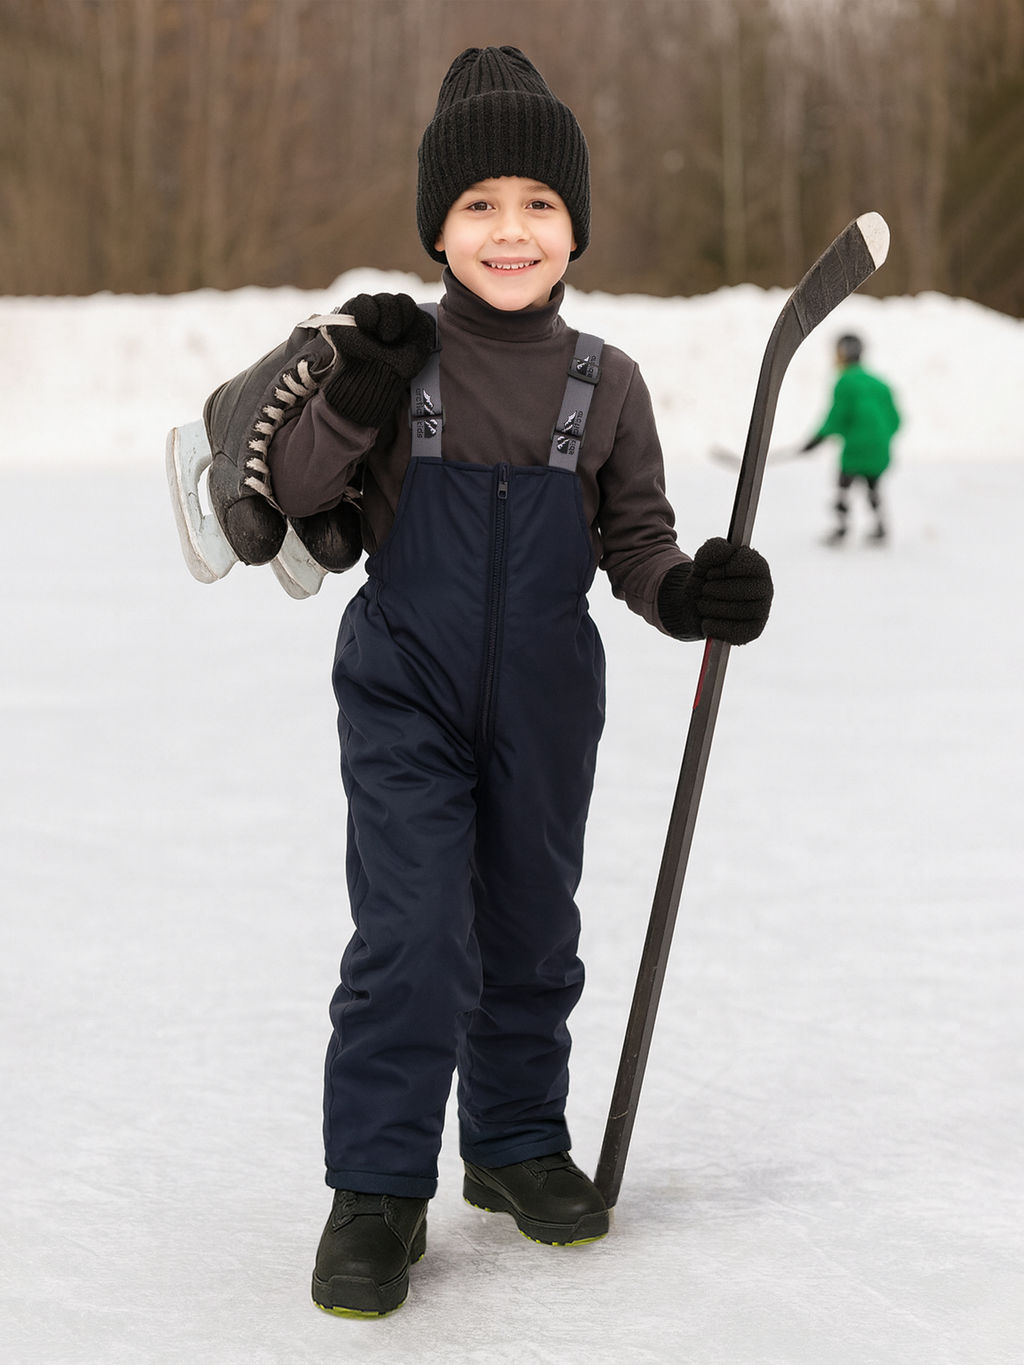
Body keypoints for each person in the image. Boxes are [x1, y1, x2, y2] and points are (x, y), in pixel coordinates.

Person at [211, 46, 773, 1318]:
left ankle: (515, 1143)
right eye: (478, 207)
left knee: (531, 927)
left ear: (575, 227)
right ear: (438, 229)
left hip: (546, 694)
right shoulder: (394, 358)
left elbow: (635, 542)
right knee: (410, 934)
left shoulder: (606, 383)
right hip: (403, 682)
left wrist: (693, 594)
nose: (509, 232)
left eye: (538, 205)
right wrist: (356, 383)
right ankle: (376, 1189)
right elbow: (290, 496)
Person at [802, 333, 901, 544]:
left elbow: (836, 417)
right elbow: (896, 419)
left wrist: (816, 439)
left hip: (855, 449)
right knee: (873, 486)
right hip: (880, 450)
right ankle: (880, 527)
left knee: (843, 487)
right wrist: (881, 437)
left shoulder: (845, 382)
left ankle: (842, 528)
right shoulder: (879, 383)